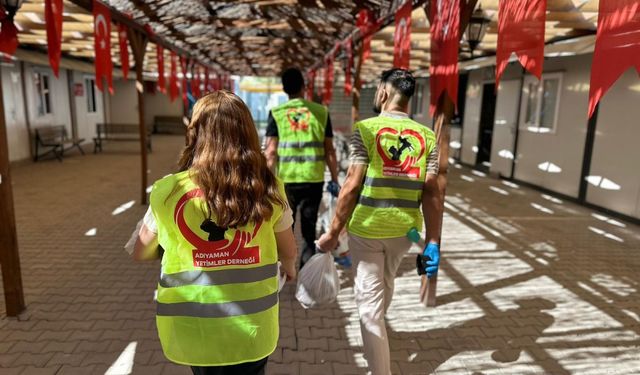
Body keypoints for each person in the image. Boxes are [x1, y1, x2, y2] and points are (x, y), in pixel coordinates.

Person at [132, 91, 297, 375]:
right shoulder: (268, 188)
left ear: (195, 133)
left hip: (195, 327)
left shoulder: (169, 190)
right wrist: (291, 266)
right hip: (253, 327)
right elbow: (288, 249)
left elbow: (140, 250)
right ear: (247, 133)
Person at [317, 69, 442, 375]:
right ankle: (379, 341)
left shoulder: (367, 129)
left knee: (369, 311)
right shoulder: (427, 136)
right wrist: (433, 241)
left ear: (385, 92)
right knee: (384, 282)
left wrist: (333, 232)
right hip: (404, 231)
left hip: (368, 230)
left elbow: (352, 184)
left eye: (376, 89)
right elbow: (433, 191)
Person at [265, 67, 340, 267]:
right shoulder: (320, 112)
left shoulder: (277, 113)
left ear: (284, 88)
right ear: (303, 87)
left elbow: (271, 152)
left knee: (284, 228)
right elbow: (330, 151)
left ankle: (284, 271)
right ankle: (306, 275)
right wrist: (334, 178)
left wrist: (265, 180)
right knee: (308, 231)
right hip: (313, 181)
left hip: (286, 182)